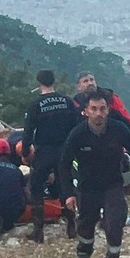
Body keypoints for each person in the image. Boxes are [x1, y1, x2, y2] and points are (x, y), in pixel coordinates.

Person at [59, 90, 130, 258]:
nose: (98, 113)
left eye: (102, 109)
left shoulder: (119, 129)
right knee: (86, 223)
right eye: (94, 109)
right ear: (86, 111)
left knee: (115, 221)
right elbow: (64, 164)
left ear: (108, 110)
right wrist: (68, 194)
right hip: (87, 187)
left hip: (113, 185)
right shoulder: (78, 134)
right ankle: (84, 254)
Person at [21, 69, 80, 243]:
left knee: (37, 189)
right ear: (54, 81)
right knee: (65, 187)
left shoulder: (36, 105)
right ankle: (71, 226)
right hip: (64, 150)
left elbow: (28, 132)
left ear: (39, 83)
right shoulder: (67, 101)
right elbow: (75, 128)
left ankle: (38, 232)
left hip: (44, 151)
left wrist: (25, 153)